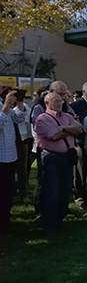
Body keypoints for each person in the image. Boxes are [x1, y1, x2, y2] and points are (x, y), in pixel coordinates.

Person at [33, 92, 82, 235]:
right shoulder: (42, 119)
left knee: (65, 190)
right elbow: (54, 136)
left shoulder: (67, 116)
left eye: (61, 101)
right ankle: (49, 223)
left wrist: (64, 128)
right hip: (51, 158)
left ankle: (60, 219)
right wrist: (68, 129)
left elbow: (79, 129)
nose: (60, 104)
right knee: (52, 191)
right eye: (56, 101)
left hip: (67, 157)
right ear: (47, 103)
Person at [0, 90, 26, 235]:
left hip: (10, 155)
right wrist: (6, 105)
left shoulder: (3, 104)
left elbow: (19, 117)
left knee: (8, 191)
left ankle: (6, 220)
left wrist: (20, 102)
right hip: (1, 157)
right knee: (2, 192)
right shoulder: (3, 105)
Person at [70, 80, 87, 206]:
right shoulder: (76, 106)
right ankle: (80, 197)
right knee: (80, 171)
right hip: (80, 142)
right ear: (84, 92)